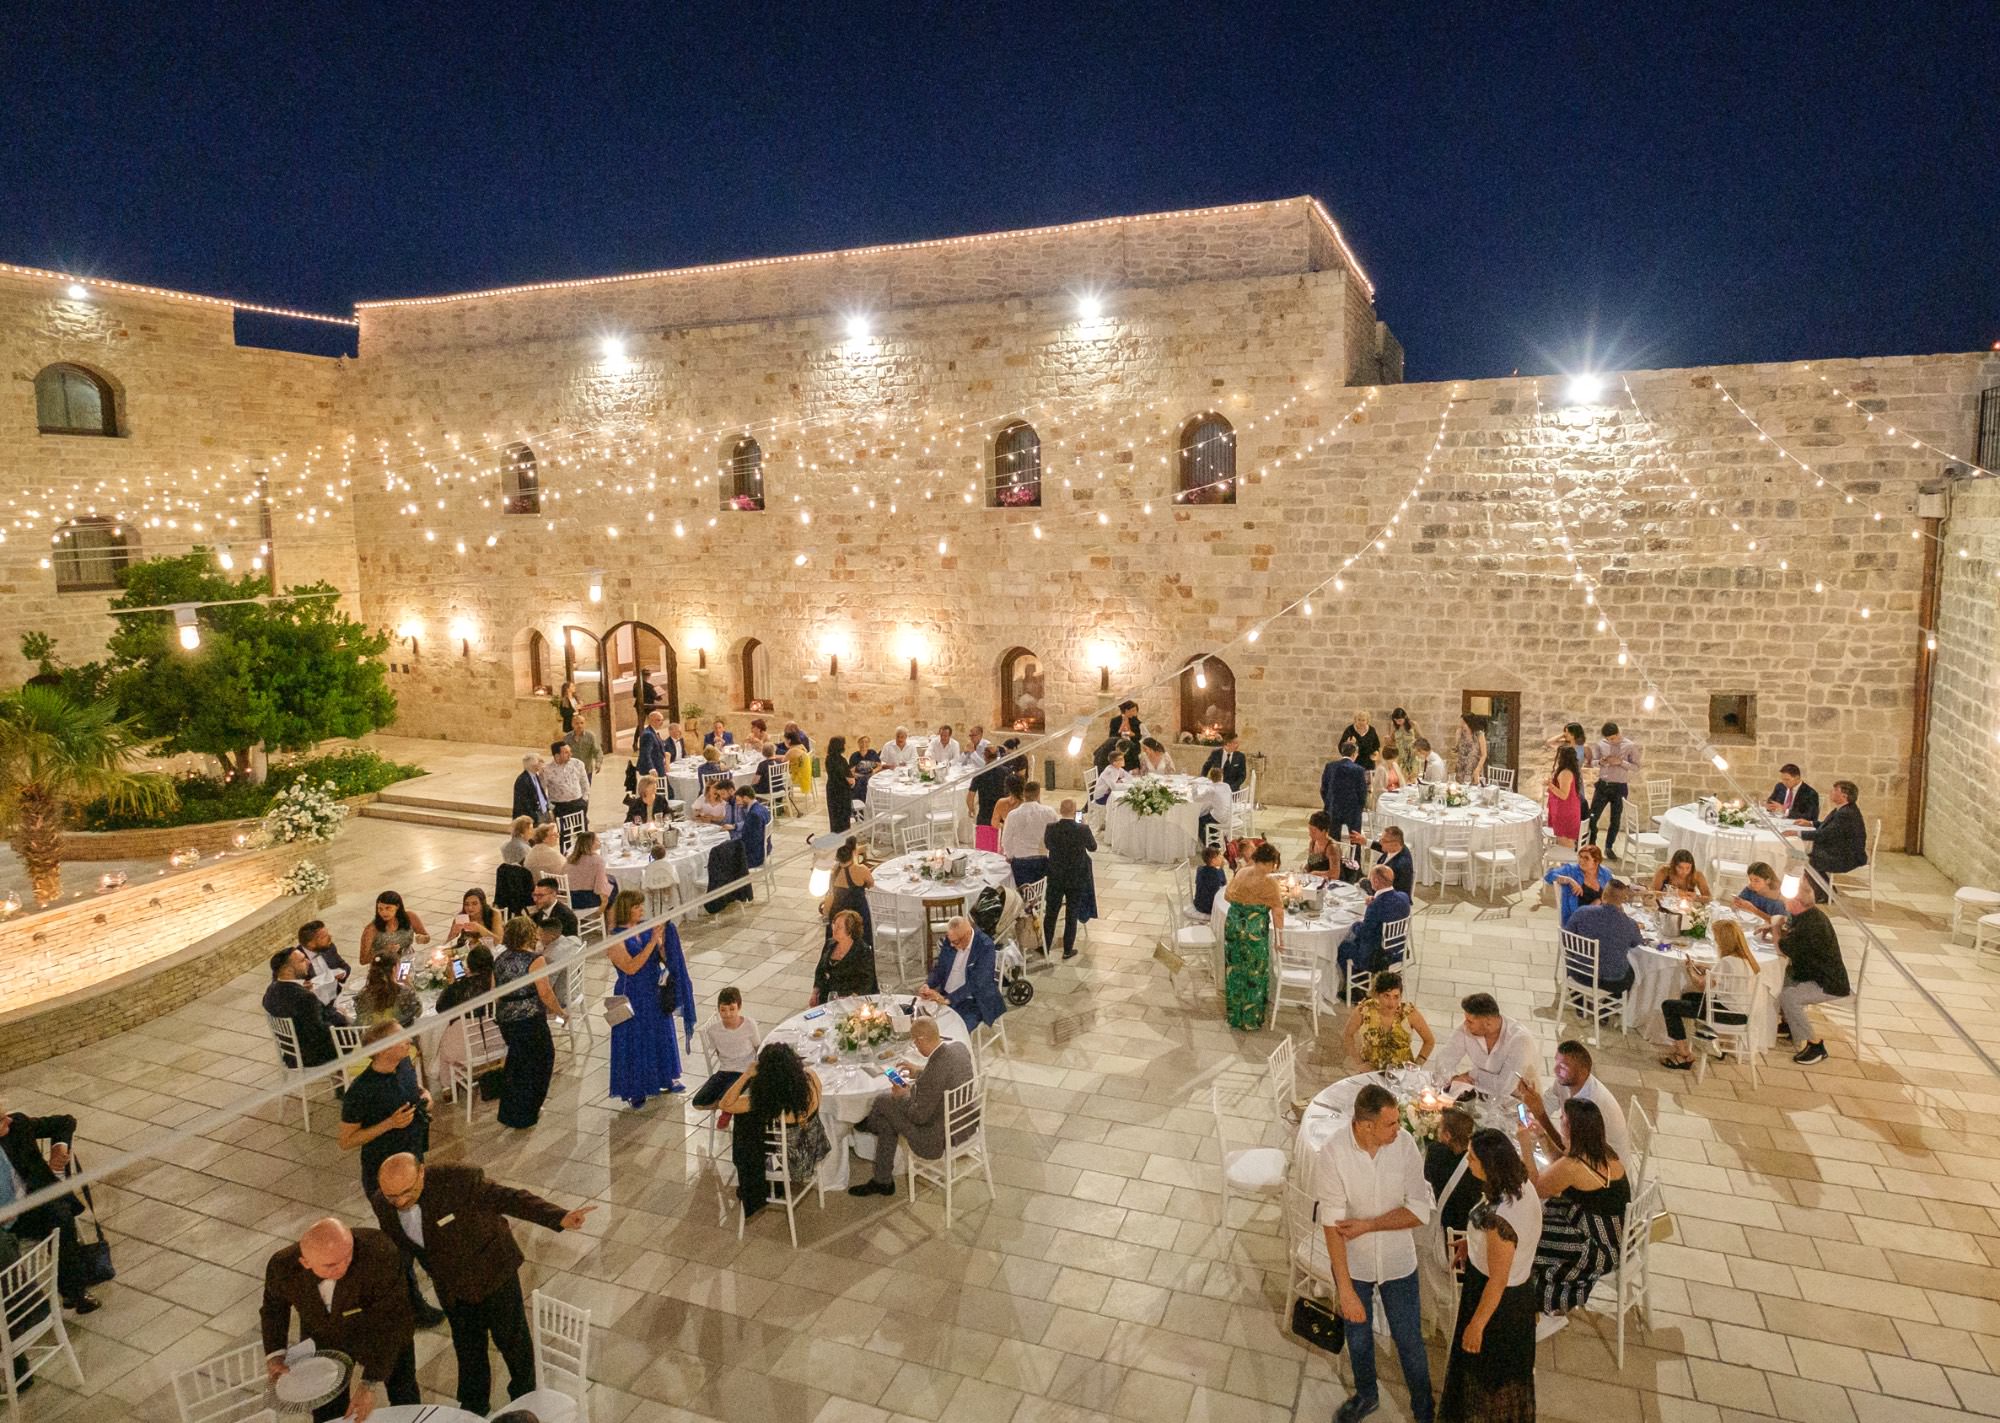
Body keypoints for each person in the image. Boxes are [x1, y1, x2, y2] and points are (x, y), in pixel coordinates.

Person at [370, 1153, 592, 1416]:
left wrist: (558, 1217)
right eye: (392, 1196)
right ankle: (474, 1406)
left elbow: (509, 1198)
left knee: (512, 1340)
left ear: (422, 1173)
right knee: (467, 1347)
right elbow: (398, 1248)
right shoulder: (383, 1204)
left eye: (407, 1192)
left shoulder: (459, 1180)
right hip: (451, 1286)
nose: (400, 1201)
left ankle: (525, 1398)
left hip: (493, 1271)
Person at [1314, 1081, 1435, 1423]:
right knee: (1359, 1338)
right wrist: (1346, 1289)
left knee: (1410, 1342)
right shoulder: (1334, 1153)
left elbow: (1418, 1211)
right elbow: (1332, 1225)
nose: (1400, 1128)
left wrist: (1368, 1225)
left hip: (1399, 1261)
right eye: (1391, 1123)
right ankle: (1367, 1395)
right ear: (1366, 1126)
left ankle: (1424, 1409)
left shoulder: (1406, 1145)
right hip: (1357, 1264)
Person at [261, 1218, 418, 1422]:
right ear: (305, 1262)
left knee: (403, 1392)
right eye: (331, 1265)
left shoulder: (380, 1254)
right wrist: (275, 1354)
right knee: (326, 1408)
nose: (343, 1267)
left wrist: (369, 1383)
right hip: (325, 1335)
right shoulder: (282, 1266)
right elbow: (274, 1308)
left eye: (348, 1256)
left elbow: (392, 1320)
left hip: (378, 1331)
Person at [1436, 1129, 1540, 1423]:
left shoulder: (1500, 1221)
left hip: (1499, 1306)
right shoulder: (1519, 1182)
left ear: (1488, 1165)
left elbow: (1498, 1280)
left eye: (1472, 1157)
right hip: (1512, 1293)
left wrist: (1476, 1325)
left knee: (1488, 1381)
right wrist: (1472, 1243)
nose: (1467, 1160)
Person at [1525, 1098, 1629, 1335]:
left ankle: (1535, 1299)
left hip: (1597, 1246)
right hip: (1610, 1229)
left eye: (1562, 1119)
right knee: (1543, 1217)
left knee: (1529, 1236)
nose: (1559, 1122)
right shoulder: (1600, 1151)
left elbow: (1535, 1187)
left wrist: (1525, 1147)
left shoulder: (1574, 1165)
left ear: (1572, 1129)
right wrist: (1542, 1137)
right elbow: (1562, 1167)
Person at [847, 1016, 978, 1198]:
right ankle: (882, 1179)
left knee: (884, 1101)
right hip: (964, 1122)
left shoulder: (934, 1073)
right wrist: (918, 1072)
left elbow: (918, 1116)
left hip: (935, 1136)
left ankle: (871, 1127)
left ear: (920, 1039)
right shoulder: (959, 1048)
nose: (915, 1046)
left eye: (915, 1042)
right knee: (887, 1118)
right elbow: (943, 1074)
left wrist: (903, 1096)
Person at [0, 1104, 97, 1313]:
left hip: (29, 1204)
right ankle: (22, 1313)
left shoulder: (18, 1126)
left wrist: (59, 1146)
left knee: (60, 1214)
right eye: (0, 1120)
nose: (8, 1120)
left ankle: (73, 1291)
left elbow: (65, 1121)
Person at [717, 1042, 824, 1220]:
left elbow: (725, 1104)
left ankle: (756, 1187)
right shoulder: (812, 1078)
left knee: (746, 1123)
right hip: (814, 1147)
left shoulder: (766, 1101)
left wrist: (746, 1075)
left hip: (789, 1162)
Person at [606, 890, 692, 1106]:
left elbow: (660, 958)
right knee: (636, 1040)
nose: (641, 910)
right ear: (627, 909)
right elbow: (632, 967)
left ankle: (666, 1078)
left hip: (654, 989)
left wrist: (663, 943)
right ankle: (636, 1089)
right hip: (633, 993)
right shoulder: (615, 939)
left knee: (661, 1034)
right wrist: (653, 941)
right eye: (637, 907)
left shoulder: (645, 928)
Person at [339, 1023, 432, 1191]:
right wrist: (390, 1123)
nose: (409, 1040)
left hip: (413, 1155)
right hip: (383, 1166)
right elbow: (346, 1141)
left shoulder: (404, 1063)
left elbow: (413, 1088)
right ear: (384, 1049)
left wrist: (424, 1095)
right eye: (401, 1038)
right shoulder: (361, 1090)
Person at [1658, 918, 1760, 1069]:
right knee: (1687, 997)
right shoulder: (1747, 960)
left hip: (1726, 1013)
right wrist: (1705, 968)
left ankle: (1684, 1055)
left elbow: (1701, 986)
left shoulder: (1726, 962)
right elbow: (1721, 976)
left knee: (1669, 1006)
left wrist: (1690, 970)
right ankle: (1703, 1041)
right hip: (1741, 1012)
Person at [494, 916, 563, 1127]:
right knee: (541, 1062)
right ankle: (528, 1111)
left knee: (516, 1064)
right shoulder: (535, 960)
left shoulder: (499, 959)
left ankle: (509, 1111)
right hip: (528, 1018)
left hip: (507, 1017)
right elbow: (545, 992)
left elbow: (494, 991)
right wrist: (560, 1012)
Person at [1518, 1039, 1631, 1159]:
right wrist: (1530, 1109)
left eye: (1563, 1067)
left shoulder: (1589, 1106)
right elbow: (1549, 1101)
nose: (1555, 1070)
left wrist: (1540, 1116)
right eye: (1556, 1062)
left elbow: (1570, 1154)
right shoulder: (1565, 1082)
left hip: (1604, 1166)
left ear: (1583, 1072)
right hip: (1580, 1155)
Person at [1774, 886, 1850, 1064]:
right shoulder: (1808, 915)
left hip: (1827, 983)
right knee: (1779, 980)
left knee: (1789, 996)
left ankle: (1815, 1044)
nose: (1784, 902)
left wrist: (1775, 929)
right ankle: (1789, 1023)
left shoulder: (1811, 925)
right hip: (1810, 973)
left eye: (1788, 900)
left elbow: (1782, 947)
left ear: (1796, 903)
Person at [1222, 842, 1285, 1030]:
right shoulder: (1269, 882)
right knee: (1254, 972)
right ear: (1270, 863)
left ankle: (1235, 1016)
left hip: (1233, 925)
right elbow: (1278, 912)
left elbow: (1227, 896)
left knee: (1235, 970)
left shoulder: (1241, 872)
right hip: (1254, 930)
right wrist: (1280, 939)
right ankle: (1250, 1019)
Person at [1431, 993, 1539, 1097]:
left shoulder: (1520, 1041)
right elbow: (1444, 1059)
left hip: (1519, 1100)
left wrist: (1473, 1075)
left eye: (1470, 1021)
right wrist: (1454, 1077)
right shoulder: (1467, 1029)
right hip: (1481, 1093)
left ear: (1488, 1022)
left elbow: (1505, 1087)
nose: (1465, 1024)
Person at [264, 946, 350, 1068]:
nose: (308, 962)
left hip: (292, 1053)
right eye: (302, 960)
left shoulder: (272, 990)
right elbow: (320, 1032)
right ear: (287, 970)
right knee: (367, 1036)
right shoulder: (304, 998)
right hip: (314, 1056)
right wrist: (341, 1016)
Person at [921, 915, 1008, 1030]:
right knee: (922, 1023)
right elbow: (940, 968)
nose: (951, 945)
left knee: (954, 1031)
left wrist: (948, 999)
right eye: (950, 941)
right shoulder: (951, 939)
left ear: (967, 934)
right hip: (946, 994)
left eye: (955, 942)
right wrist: (928, 984)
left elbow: (978, 982)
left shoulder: (985, 946)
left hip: (974, 1001)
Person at [1337, 863, 1412, 997]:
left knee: (1342, 948)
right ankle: (1361, 980)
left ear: (1376, 881)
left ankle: (1355, 990)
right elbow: (1387, 909)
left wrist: (1354, 924)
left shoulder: (1376, 906)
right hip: (1398, 948)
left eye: (1371, 878)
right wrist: (1375, 900)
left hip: (1377, 956)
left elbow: (1365, 932)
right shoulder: (1404, 897)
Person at [1790, 779, 1868, 902]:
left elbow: (1824, 834)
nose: (1831, 792)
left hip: (1846, 856)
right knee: (1805, 854)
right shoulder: (1844, 809)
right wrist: (1810, 823)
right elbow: (1830, 827)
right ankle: (1825, 890)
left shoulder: (1846, 813)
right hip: (1841, 849)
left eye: (1835, 790)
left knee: (1807, 859)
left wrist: (1797, 833)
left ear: (1844, 795)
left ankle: (1824, 894)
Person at [1343, 971, 1436, 1072]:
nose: (1392, 1003)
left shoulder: (1409, 1013)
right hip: (1371, 1071)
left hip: (1401, 1073)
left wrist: (1416, 1067)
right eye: (1386, 996)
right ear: (1377, 994)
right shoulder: (1364, 1011)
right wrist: (1359, 1063)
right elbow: (1347, 1035)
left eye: (1396, 997)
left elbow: (1429, 1041)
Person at [1564, 878, 1643, 995]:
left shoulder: (1582, 912)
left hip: (1580, 974)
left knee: (1570, 958)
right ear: (1623, 900)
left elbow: (1567, 940)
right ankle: (1605, 1009)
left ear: (1603, 894)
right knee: (1633, 973)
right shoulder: (1629, 924)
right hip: (1611, 981)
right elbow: (1636, 942)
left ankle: (1580, 1005)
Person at [1043, 800, 1098, 958]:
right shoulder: (1082, 829)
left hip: (1056, 876)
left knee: (1051, 913)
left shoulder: (1051, 828)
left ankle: (1046, 946)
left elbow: (1047, 845)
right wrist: (1083, 825)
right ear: (1075, 811)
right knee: (1071, 913)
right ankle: (1068, 949)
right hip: (1076, 876)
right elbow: (1093, 847)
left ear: (1060, 810)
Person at [692, 987, 762, 1110]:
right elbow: (719, 1052)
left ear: (739, 1007)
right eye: (723, 1010)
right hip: (724, 1071)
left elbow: (758, 1048)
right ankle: (726, 1108)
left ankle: (726, 1108)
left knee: (726, 1097)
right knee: (698, 1102)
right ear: (718, 1009)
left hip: (744, 1072)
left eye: (732, 1009)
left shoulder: (750, 1024)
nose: (728, 1014)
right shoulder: (713, 1030)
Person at [1582, 721, 1641, 861]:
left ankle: (1609, 847)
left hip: (1620, 787)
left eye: (1613, 738)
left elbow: (1637, 767)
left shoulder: (1630, 746)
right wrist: (1601, 762)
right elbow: (1593, 762)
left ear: (1618, 733)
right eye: (1608, 739)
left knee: (1615, 819)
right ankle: (1592, 846)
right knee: (1593, 816)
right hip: (1603, 785)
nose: (1610, 741)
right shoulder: (1601, 744)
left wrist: (1620, 762)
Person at [1425, 1106, 1481, 1235]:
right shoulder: (1476, 1163)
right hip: (1465, 1227)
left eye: (1440, 1127)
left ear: (1447, 1135)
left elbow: (1427, 1181)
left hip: (1444, 1224)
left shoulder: (1435, 1152)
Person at [1319, 738, 1368, 870]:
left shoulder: (1330, 766)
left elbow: (1324, 788)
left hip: (1333, 808)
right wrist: (1360, 808)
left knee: (1333, 840)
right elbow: (1362, 792)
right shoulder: (1358, 770)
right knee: (1355, 839)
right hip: (1353, 810)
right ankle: (1355, 867)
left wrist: (1329, 803)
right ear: (1354, 754)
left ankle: (1332, 865)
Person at [813, 908, 879, 1005]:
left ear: (850, 931)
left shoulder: (862, 951)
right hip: (827, 999)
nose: (834, 929)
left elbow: (866, 981)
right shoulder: (830, 944)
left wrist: (849, 999)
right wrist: (815, 993)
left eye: (839, 927)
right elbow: (820, 971)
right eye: (834, 924)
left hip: (850, 1001)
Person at [999, 778, 1057, 885]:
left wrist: (1010, 855)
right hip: (1042, 859)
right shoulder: (1049, 812)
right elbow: (1056, 836)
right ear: (1038, 794)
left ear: (1024, 795)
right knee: (1040, 890)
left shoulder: (1013, 815)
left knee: (1023, 891)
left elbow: (1006, 839)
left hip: (1021, 861)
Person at [1542, 843, 1611, 925]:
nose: (1581, 860)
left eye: (1586, 858)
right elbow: (1548, 876)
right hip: (1578, 920)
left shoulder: (1605, 873)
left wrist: (1599, 900)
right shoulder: (1571, 870)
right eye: (1580, 857)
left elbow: (1612, 894)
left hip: (1600, 917)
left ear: (1596, 862)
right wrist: (1569, 880)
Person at [358, 890, 427, 966]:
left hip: (407, 962)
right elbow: (363, 960)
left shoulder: (410, 917)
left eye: (388, 908)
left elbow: (426, 937)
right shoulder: (371, 929)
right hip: (384, 967)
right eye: (380, 909)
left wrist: (423, 938)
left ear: (397, 906)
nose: (384, 912)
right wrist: (384, 951)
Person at [353, 956, 421, 1031]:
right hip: (399, 1038)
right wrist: (408, 983)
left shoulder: (363, 995)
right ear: (394, 969)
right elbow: (418, 1012)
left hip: (372, 1040)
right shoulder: (404, 992)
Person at [1348, 823, 1414, 897]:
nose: (1380, 842)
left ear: (1395, 844)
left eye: (1384, 841)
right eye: (1381, 839)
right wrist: (1365, 841)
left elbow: (1391, 892)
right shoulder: (1398, 847)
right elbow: (1381, 847)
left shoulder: (1400, 865)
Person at [297, 919, 353, 1004]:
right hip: (315, 1005)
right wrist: (303, 986)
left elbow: (344, 966)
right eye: (324, 937)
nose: (330, 937)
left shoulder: (329, 947)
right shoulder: (295, 959)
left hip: (337, 998)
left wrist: (343, 973)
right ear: (310, 944)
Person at [539, 739, 591, 830]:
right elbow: (542, 791)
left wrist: (584, 800)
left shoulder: (578, 764)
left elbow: (585, 783)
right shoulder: (546, 770)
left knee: (582, 832)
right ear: (557, 755)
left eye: (570, 752)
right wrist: (550, 807)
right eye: (566, 753)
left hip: (578, 803)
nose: (570, 755)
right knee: (564, 834)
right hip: (560, 806)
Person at [967, 745, 1011, 851]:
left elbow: (970, 796)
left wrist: (971, 809)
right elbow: (1011, 793)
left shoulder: (979, 773)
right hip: (1002, 813)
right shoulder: (1006, 771)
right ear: (997, 756)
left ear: (985, 757)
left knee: (983, 849)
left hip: (985, 814)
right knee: (1002, 847)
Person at [1544, 744, 1583, 848]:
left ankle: (1567, 864)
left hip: (1565, 812)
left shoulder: (1565, 773)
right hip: (1568, 809)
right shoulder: (1569, 771)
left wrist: (1550, 785)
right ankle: (1566, 863)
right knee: (1565, 842)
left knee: (1565, 844)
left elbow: (1564, 795)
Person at [564, 830, 614, 913]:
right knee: (613, 886)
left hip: (570, 899)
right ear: (591, 844)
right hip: (586, 900)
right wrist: (604, 904)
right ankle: (610, 920)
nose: (600, 842)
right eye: (597, 840)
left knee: (610, 880)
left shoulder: (570, 858)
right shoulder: (597, 860)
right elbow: (599, 888)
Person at [732, 785, 772, 873]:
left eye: (738, 800)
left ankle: (734, 885)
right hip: (764, 850)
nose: (737, 804)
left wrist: (734, 846)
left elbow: (752, 841)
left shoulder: (754, 815)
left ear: (745, 798)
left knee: (723, 858)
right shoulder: (763, 809)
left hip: (755, 856)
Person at [1192, 766, 1234, 850]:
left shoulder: (1211, 789)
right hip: (1229, 815)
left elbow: (1196, 799)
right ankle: (1214, 842)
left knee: (1198, 820)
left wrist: (1194, 788)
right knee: (1209, 813)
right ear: (1222, 776)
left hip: (1219, 817)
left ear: (1210, 778)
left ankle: (1209, 846)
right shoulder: (1227, 786)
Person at [824, 735, 854, 833]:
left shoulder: (828, 759)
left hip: (832, 789)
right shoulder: (842, 760)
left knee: (834, 816)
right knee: (843, 817)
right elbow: (849, 779)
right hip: (842, 791)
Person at [512, 753, 553, 825]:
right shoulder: (523, 780)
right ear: (533, 765)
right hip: (532, 817)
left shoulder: (535, 776)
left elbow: (541, 793)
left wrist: (548, 809)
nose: (543, 763)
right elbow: (524, 803)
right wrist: (535, 817)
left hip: (542, 812)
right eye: (540, 761)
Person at [1384, 708, 1420, 786]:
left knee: (1413, 780)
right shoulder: (1395, 727)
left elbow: (1421, 738)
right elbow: (1392, 742)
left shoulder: (1413, 725)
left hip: (1412, 756)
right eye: (1396, 721)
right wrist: (1387, 739)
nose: (1398, 722)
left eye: (1400, 720)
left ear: (1405, 717)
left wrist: (1416, 746)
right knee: (1402, 780)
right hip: (1400, 757)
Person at [1192, 843, 1228, 917]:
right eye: (1219, 856)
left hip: (1198, 903)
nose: (1221, 858)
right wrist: (1221, 868)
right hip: (1209, 907)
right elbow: (1224, 885)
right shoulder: (1216, 873)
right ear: (1213, 860)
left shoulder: (1200, 869)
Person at [1452, 714, 1488, 785]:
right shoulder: (1460, 733)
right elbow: (1456, 749)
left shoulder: (1479, 734)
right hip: (1461, 769)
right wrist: (1457, 737)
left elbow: (1484, 754)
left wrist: (1478, 770)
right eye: (1461, 723)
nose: (1461, 725)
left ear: (1470, 723)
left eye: (1463, 723)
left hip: (1474, 769)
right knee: (1461, 792)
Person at [636, 710, 669, 781]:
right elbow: (645, 753)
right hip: (654, 768)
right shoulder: (648, 734)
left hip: (659, 765)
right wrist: (651, 768)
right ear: (651, 721)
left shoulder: (654, 732)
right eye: (658, 720)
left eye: (662, 720)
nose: (661, 723)